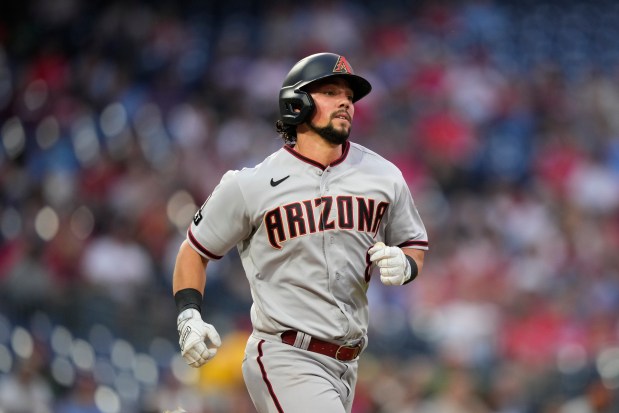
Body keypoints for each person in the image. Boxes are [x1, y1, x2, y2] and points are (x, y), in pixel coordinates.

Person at [172, 52, 429, 413]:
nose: (345, 102)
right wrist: (189, 316)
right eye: (330, 92)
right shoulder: (251, 184)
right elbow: (194, 250)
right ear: (297, 102)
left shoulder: (384, 176)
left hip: (348, 362)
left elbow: (414, 244)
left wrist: (406, 264)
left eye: (350, 97)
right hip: (285, 354)